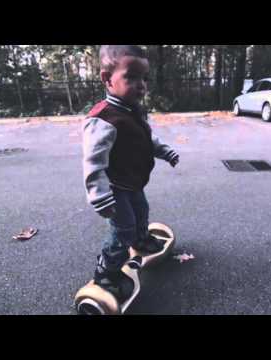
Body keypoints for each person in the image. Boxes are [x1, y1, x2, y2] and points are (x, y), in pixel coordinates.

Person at [82, 45, 179, 301]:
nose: (141, 85)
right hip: (114, 187)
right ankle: (107, 270)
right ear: (107, 79)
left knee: (141, 212)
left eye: (144, 78)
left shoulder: (132, 109)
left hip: (133, 182)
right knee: (122, 228)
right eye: (131, 77)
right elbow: (93, 162)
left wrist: (165, 151)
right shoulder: (103, 119)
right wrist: (99, 196)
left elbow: (146, 138)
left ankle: (142, 238)